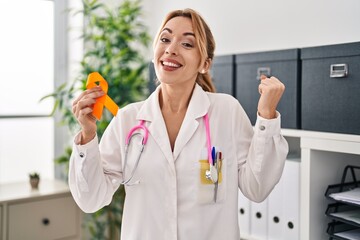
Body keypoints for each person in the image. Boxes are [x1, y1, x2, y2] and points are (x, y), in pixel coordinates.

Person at [69, 8, 289, 240]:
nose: (171, 49)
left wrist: (267, 116)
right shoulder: (128, 119)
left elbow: (257, 187)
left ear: (205, 63)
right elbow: (91, 199)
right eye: (165, 39)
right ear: (154, 53)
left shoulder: (226, 111)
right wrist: (88, 135)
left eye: (187, 44)